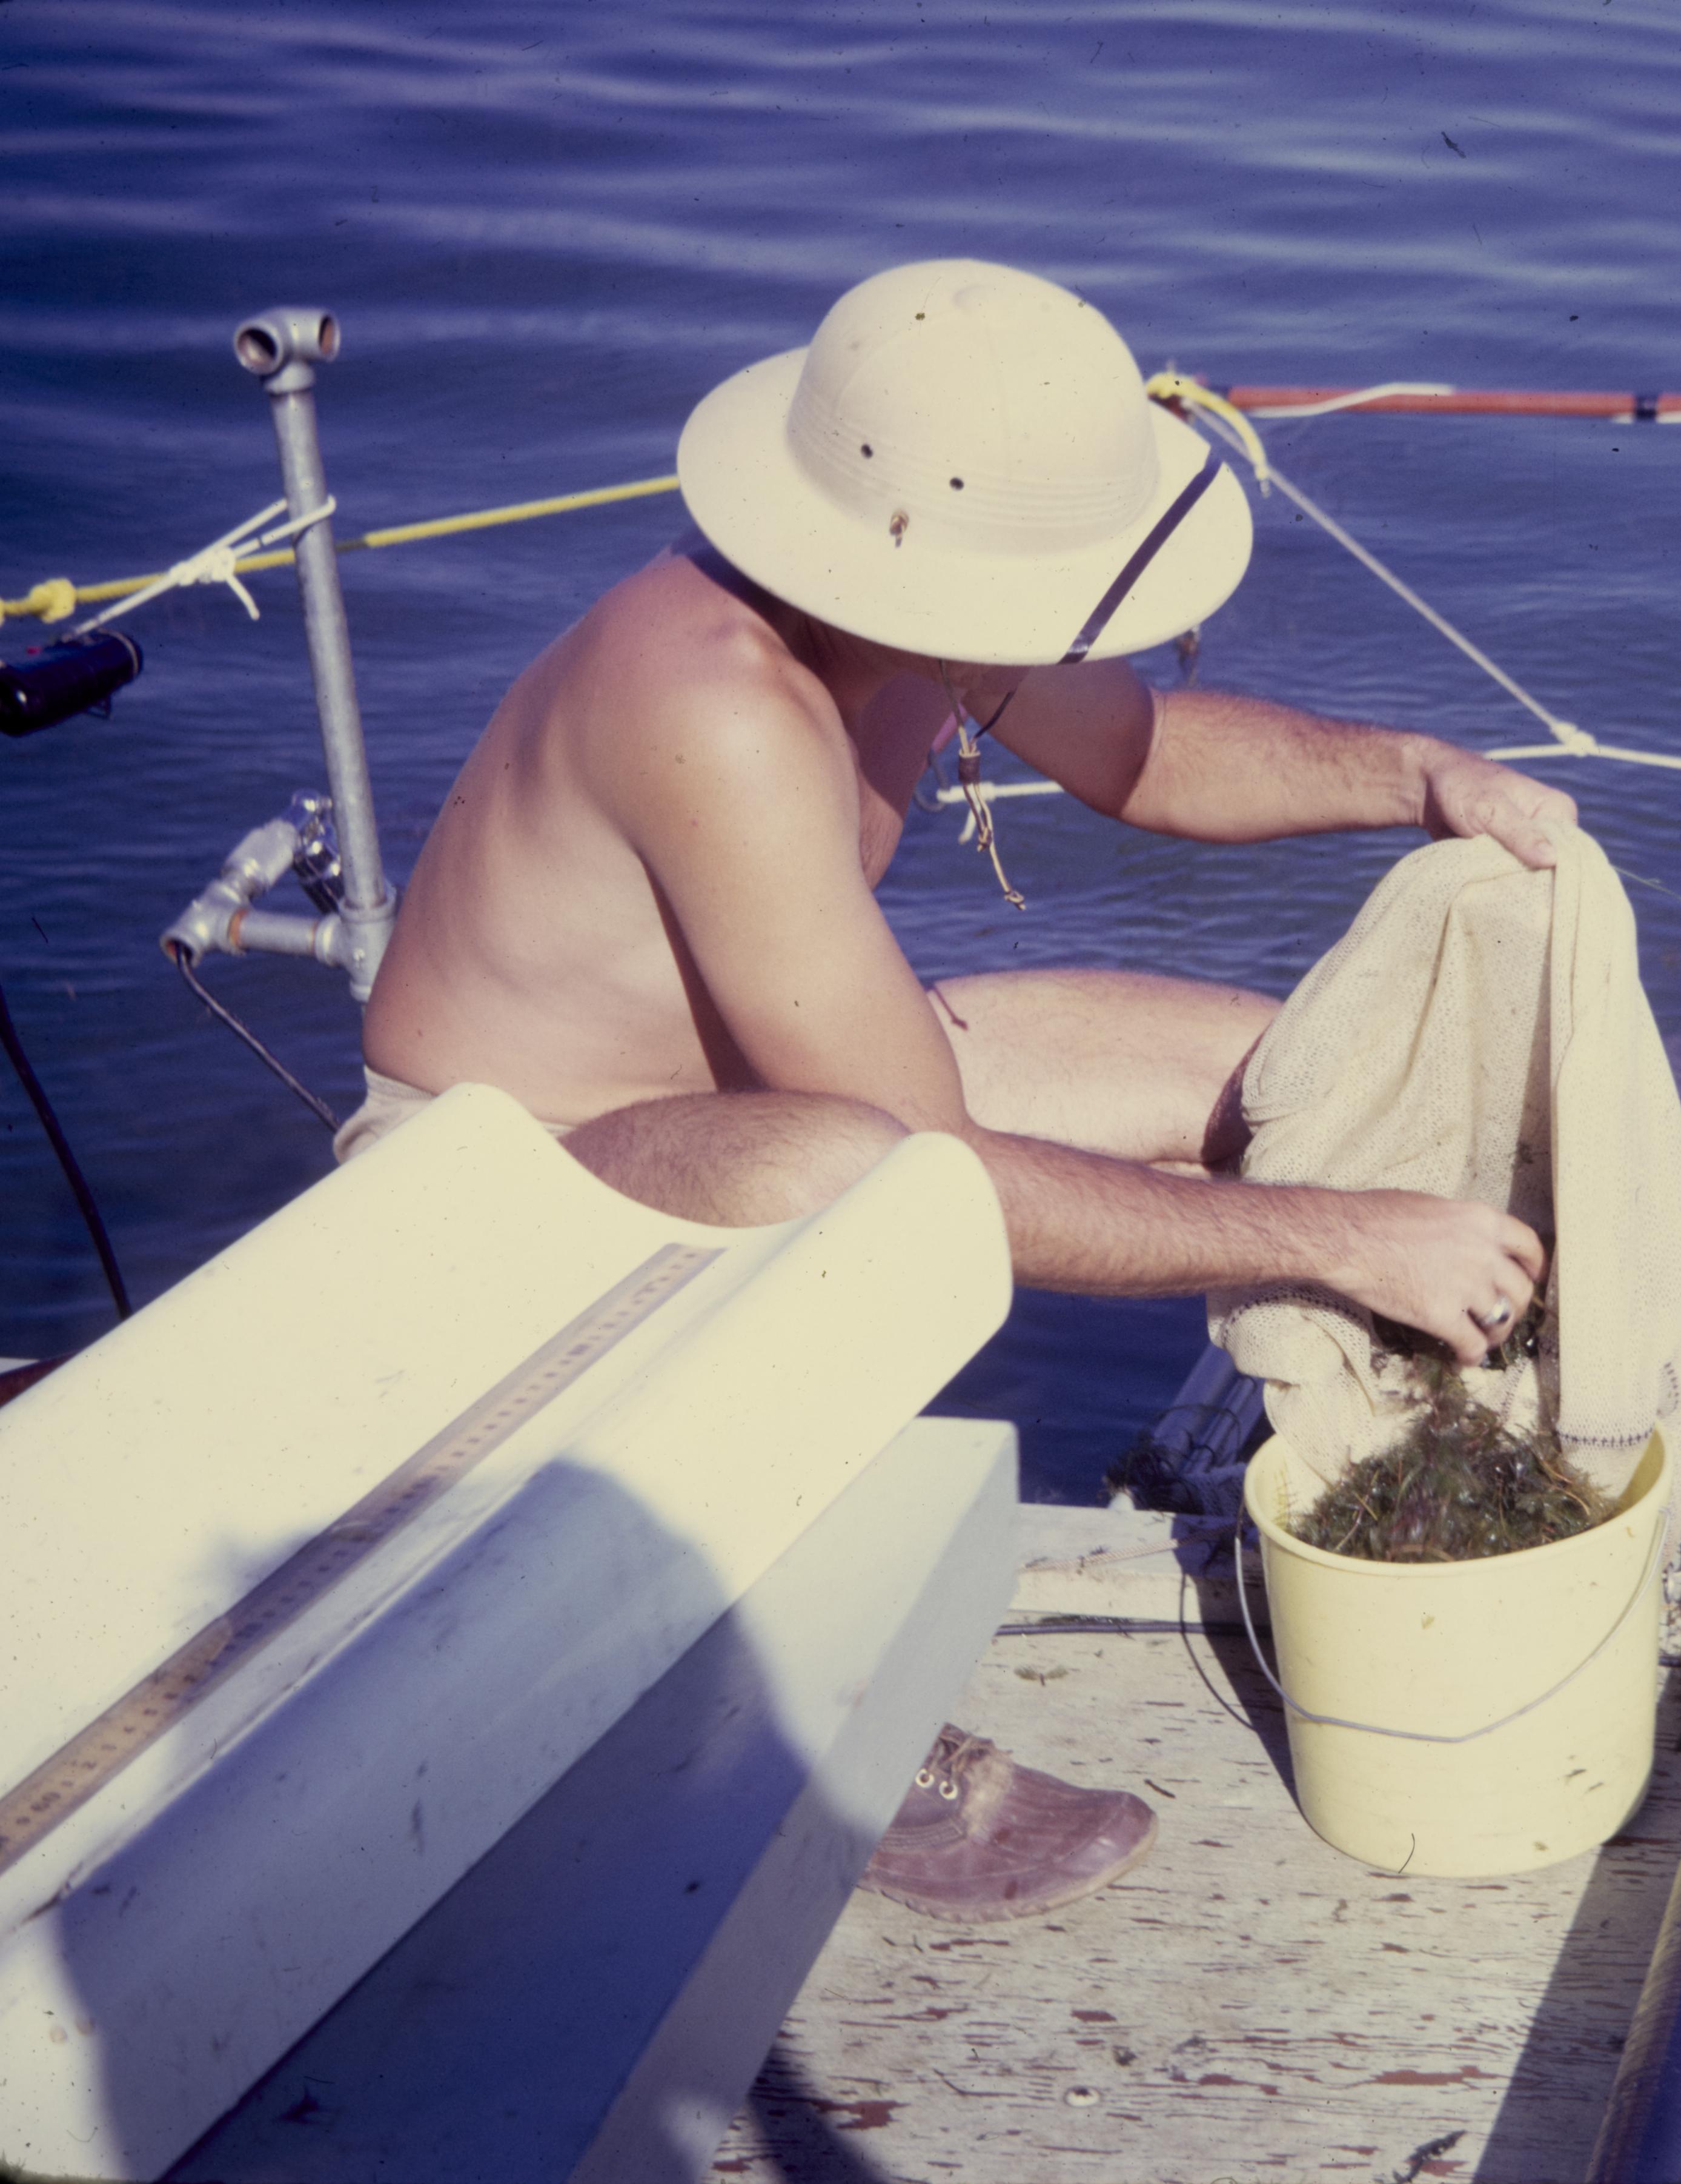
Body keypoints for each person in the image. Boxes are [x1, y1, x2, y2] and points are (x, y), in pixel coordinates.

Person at [345, 258, 1580, 1919]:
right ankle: (835, 1706)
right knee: (857, 1182)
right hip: (490, 1196)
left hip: (740, 1098)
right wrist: (1342, 1238)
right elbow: (925, 1176)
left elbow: (1143, 749)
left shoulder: (917, 594)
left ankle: (1402, 1442)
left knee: (1280, 1064)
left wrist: (1416, 774)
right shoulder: (716, 701)